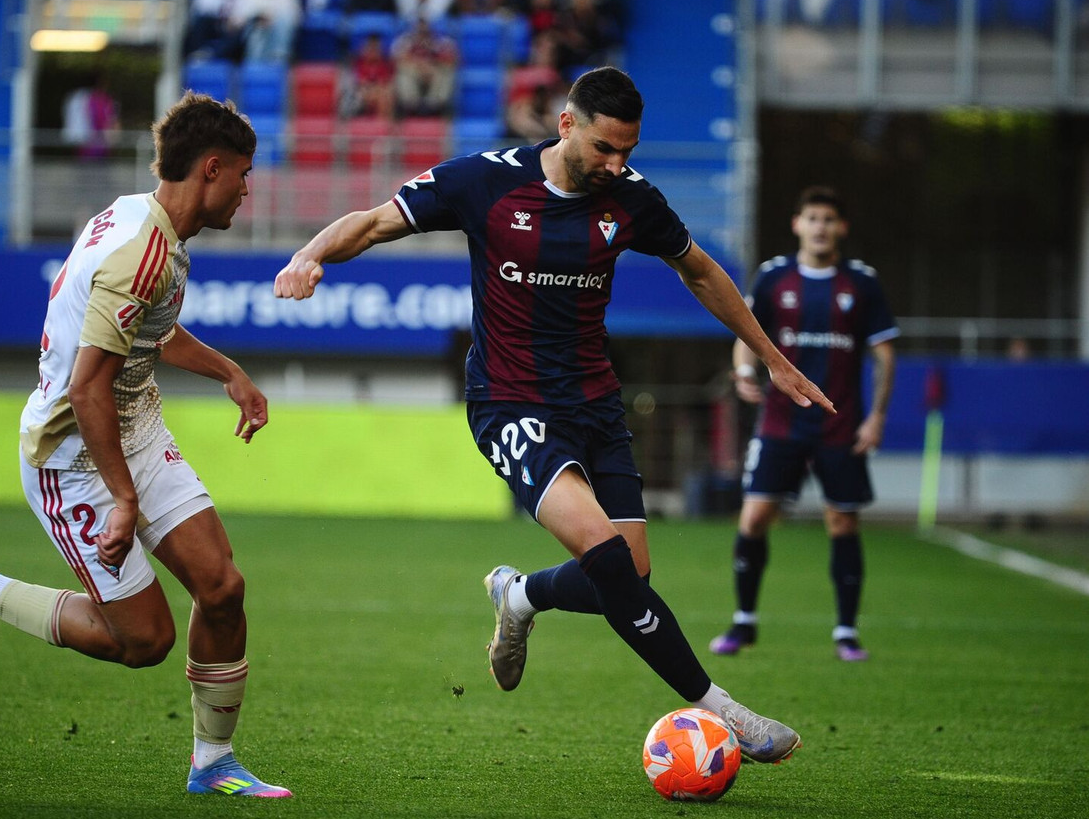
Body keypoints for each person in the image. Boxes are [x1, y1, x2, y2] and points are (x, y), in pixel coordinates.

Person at [273, 67, 834, 765]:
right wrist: (309, 253)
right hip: (511, 402)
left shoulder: (630, 198)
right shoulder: (485, 180)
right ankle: (724, 711)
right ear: (566, 124)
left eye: (627, 150)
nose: (616, 164)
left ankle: (520, 595)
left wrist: (769, 355)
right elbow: (377, 221)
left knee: (628, 574)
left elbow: (698, 269)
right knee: (604, 556)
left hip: (594, 402)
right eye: (604, 148)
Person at [0, 92, 292, 798]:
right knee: (143, 641)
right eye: (245, 175)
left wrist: (229, 372)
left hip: (132, 423)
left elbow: (148, 333)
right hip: (73, 457)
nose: (249, 191)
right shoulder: (140, 252)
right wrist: (124, 499)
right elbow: (88, 386)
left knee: (222, 587)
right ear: (211, 168)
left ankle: (212, 761)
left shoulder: (146, 221)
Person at [710, 186, 898, 663]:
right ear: (797, 224)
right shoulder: (775, 278)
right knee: (753, 518)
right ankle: (743, 623)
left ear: (842, 228)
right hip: (780, 421)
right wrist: (743, 372)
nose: (820, 226)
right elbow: (746, 332)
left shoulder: (862, 282)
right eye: (812, 217)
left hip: (839, 423)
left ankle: (846, 632)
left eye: (829, 219)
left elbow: (885, 353)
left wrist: (875, 417)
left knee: (842, 521)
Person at [391, 17, 456, 117]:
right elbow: (396, 58)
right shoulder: (406, 40)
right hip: (414, 71)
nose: (422, 33)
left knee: (446, 71)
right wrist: (419, 64)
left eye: (425, 30)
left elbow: (452, 59)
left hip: (434, 71)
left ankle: (434, 104)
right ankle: (411, 104)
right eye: (419, 30)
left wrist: (432, 64)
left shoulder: (441, 41)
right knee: (403, 71)